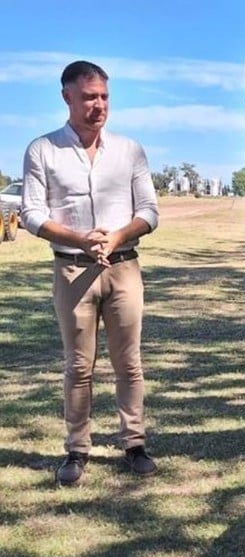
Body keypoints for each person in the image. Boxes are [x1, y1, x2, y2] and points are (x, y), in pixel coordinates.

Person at [20, 61, 160, 486]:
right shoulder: (42, 149)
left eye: (104, 96)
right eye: (89, 97)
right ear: (67, 97)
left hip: (123, 268)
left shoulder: (130, 149)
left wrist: (117, 236)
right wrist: (79, 239)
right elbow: (31, 214)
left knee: (129, 363)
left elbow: (150, 212)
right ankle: (77, 450)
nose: (98, 105)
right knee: (79, 366)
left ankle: (133, 443)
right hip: (72, 270)